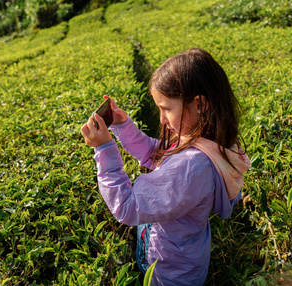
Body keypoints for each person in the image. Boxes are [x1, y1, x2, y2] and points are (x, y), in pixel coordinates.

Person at [80, 48, 251, 285]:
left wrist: (105, 150)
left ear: (199, 104)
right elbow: (157, 154)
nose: (161, 119)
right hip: (182, 259)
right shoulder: (206, 142)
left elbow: (127, 207)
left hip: (169, 272)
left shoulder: (191, 167)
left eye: (166, 109)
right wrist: (123, 126)